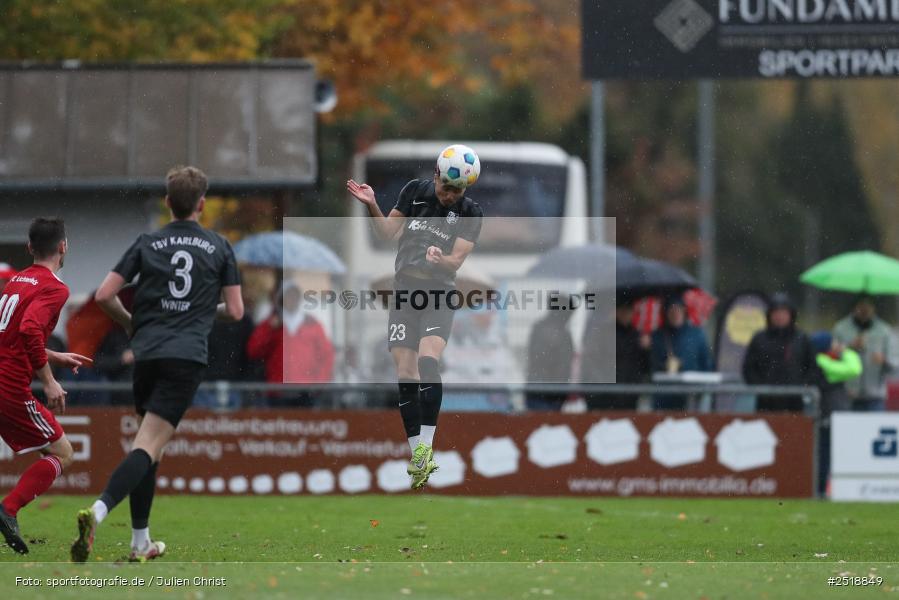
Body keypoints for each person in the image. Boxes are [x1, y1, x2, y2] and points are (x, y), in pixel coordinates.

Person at [71, 166, 243, 563]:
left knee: (151, 448)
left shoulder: (147, 241)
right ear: (202, 204)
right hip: (185, 357)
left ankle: (140, 542)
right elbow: (235, 311)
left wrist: (134, 324)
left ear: (168, 203)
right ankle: (97, 512)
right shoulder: (218, 245)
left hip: (147, 354)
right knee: (147, 445)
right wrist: (199, 311)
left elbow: (104, 294)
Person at [346, 144, 483, 489]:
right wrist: (372, 205)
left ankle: (428, 441)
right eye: (446, 187)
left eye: (458, 190)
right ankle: (418, 454)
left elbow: (457, 262)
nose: (450, 196)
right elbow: (386, 233)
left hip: (439, 293)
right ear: (436, 175)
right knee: (404, 371)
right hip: (404, 293)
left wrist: (442, 259)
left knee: (427, 360)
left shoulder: (470, 212)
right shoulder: (414, 191)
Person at [0, 218, 91, 554]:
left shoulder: (16, 282)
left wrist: (55, 355)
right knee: (63, 453)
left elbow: (13, 336)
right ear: (63, 247)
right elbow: (27, 331)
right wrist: (50, 382)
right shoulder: (55, 287)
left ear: (29, 248)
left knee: (50, 451)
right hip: (9, 388)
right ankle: (7, 510)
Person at [246, 281, 334, 407]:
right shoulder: (272, 323)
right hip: (278, 391)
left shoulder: (313, 324)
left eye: (295, 296)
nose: (292, 300)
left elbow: (326, 356)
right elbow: (254, 350)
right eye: (288, 296)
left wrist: (319, 382)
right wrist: (269, 328)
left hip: (306, 391)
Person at [742, 293, 816, 412]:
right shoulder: (760, 338)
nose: (779, 316)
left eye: (783, 312)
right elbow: (749, 369)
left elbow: (812, 368)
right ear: (769, 315)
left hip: (795, 402)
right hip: (765, 403)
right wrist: (762, 389)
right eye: (776, 312)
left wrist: (801, 387)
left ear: (791, 315)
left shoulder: (801, 339)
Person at [809, 331, 862, 496]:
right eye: (833, 343)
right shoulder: (822, 362)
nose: (836, 346)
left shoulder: (823, 361)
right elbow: (854, 369)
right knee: (825, 453)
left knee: (825, 452)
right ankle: (821, 489)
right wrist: (846, 351)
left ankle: (821, 488)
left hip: (828, 413)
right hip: (827, 414)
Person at [832, 295, 899, 411]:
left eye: (868, 306)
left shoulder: (884, 331)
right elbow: (833, 359)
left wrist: (884, 361)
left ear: (874, 308)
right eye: (861, 305)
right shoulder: (841, 328)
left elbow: (895, 363)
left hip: (875, 396)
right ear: (854, 307)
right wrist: (850, 347)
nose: (865, 309)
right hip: (848, 395)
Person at [583, 298, 650, 411]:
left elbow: (644, 366)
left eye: (629, 311)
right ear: (616, 311)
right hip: (603, 397)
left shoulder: (637, 336)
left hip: (628, 395)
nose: (626, 314)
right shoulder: (602, 333)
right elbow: (591, 361)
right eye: (623, 310)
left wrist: (646, 349)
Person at [650, 295, 713, 410]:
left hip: (691, 396)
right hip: (664, 397)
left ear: (684, 311)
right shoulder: (658, 336)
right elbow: (650, 365)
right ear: (666, 313)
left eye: (678, 309)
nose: (675, 314)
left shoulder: (697, 334)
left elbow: (706, 364)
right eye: (672, 310)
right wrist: (665, 365)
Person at [526, 304, 574, 411]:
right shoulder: (563, 334)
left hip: (544, 390)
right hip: (548, 391)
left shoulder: (539, 328)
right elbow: (564, 363)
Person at [94, 325, 134, 405]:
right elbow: (98, 362)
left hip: (143, 396)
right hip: (117, 395)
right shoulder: (114, 336)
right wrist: (121, 360)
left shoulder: (148, 338)